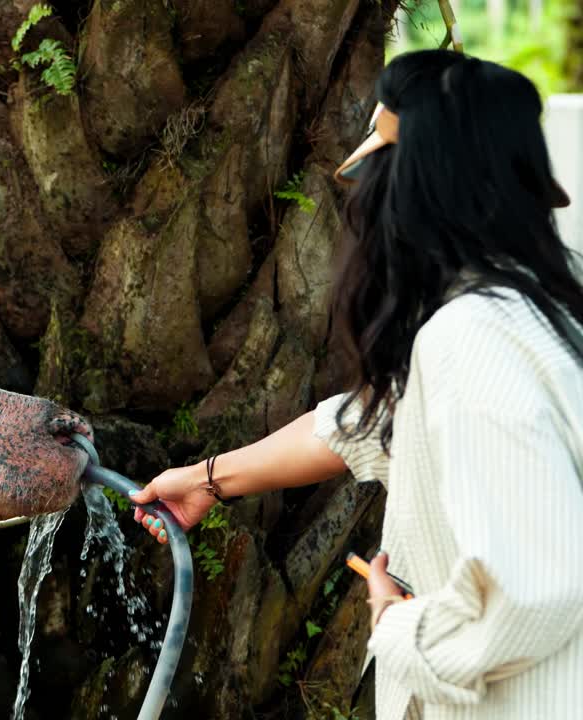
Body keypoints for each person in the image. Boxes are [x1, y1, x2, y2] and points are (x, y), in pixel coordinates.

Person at [130, 50, 583, 720]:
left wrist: (401, 628)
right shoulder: (535, 313)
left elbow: (535, 588)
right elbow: (372, 424)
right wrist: (205, 479)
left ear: (411, 191)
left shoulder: (471, 338)